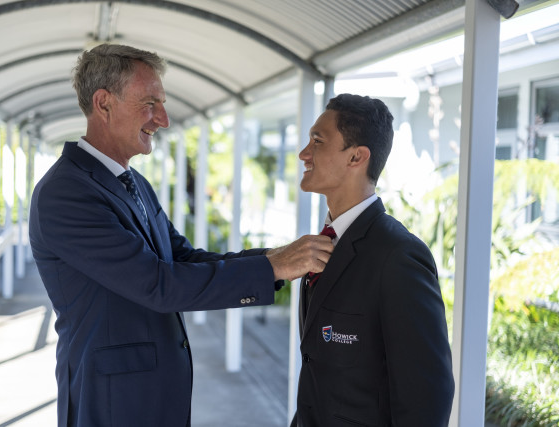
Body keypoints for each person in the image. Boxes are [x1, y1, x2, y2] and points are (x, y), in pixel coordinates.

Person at [29, 43, 333, 427]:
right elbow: (159, 284)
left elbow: (183, 258)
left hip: (151, 395)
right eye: (150, 103)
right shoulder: (66, 193)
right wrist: (272, 268)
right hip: (113, 403)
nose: (163, 119)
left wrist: (276, 257)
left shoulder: (133, 182)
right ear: (103, 103)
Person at [291, 94, 455, 426]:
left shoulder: (399, 256)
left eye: (317, 141)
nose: (303, 153)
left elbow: (427, 399)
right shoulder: (324, 242)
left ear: (357, 156)